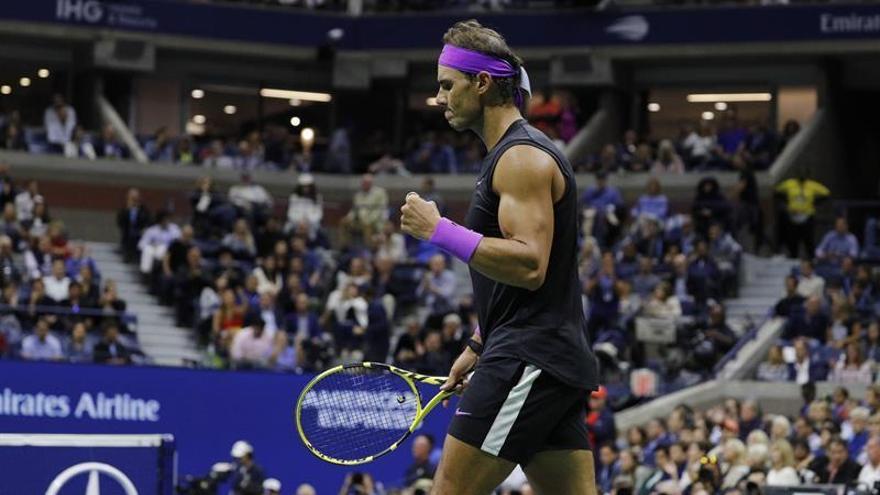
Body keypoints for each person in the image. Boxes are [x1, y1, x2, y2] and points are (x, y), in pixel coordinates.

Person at [399, 20, 599, 495]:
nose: (440, 97)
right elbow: (521, 279)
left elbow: (531, 265)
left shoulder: (521, 160)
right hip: (538, 354)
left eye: (448, 85)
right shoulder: (508, 157)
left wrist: (438, 230)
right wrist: (477, 343)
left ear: (482, 83)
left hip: (528, 357)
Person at [775, 173, 830, 258]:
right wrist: (787, 202)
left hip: (807, 215)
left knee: (808, 240)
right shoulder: (790, 183)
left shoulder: (812, 185)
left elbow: (826, 193)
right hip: (793, 215)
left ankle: (811, 260)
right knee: (793, 240)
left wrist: (814, 203)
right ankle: (793, 258)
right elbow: (777, 191)